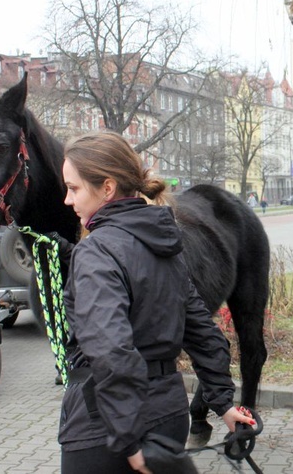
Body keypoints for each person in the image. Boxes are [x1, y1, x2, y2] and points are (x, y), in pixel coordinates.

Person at [58, 131, 254, 474]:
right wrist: (223, 403)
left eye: (73, 188)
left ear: (107, 187)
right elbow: (202, 333)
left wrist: (129, 437)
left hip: (105, 429)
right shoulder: (163, 245)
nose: (67, 200)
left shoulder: (96, 251)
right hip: (168, 417)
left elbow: (110, 348)